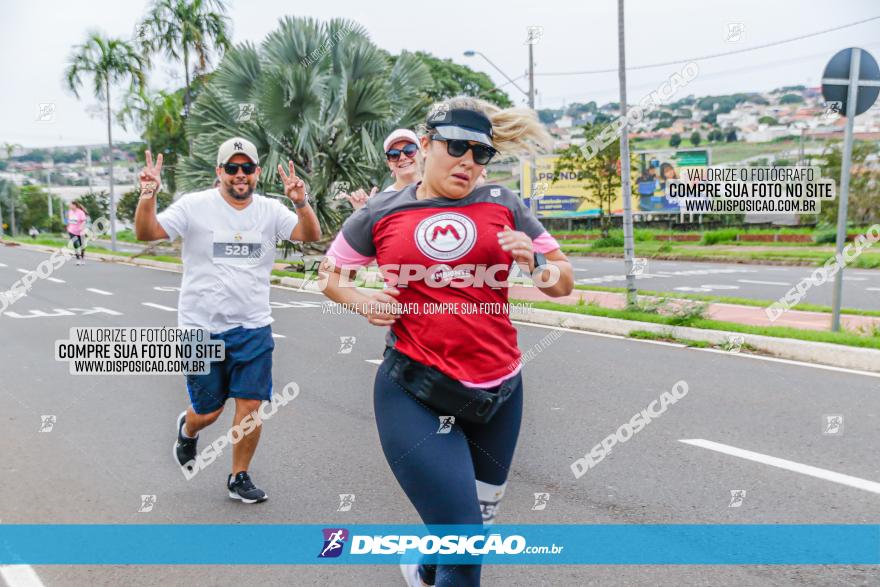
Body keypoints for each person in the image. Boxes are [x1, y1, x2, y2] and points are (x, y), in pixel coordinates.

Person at [320, 97, 573, 586]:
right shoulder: (382, 211)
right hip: (414, 388)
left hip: (500, 391)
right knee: (465, 541)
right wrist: (364, 301)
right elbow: (331, 275)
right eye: (456, 147)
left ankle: (422, 568)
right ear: (427, 144)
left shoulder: (503, 203)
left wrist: (537, 266)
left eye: (481, 154)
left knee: (470, 531)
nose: (468, 162)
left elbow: (563, 280)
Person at [134, 137, 321, 503]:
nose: (240, 175)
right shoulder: (194, 206)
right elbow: (147, 233)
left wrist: (301, 202)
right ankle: (188, 430)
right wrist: (148, 195)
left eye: (247, 168)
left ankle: (239, 477)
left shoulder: (270, 210)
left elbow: (309, 235)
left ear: (257, 173)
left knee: (251, 405)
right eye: (232, 168)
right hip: (200, 328)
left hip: (252, 326)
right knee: (210, 411)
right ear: (219, 172)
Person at [341, 128, 423, 210]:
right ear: (389, 164)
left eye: (409, 150)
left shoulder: (434, 188)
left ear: (422, 153)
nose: (402, 157)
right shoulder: (383, 202)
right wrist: (365, 213)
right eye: (394, 154)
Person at [66, 201, 87, 265]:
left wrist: (82, 227)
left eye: (71, 205)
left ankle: (82, 258)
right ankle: (78, 259)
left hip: (81, 232)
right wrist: (68, 227)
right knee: (75, 244)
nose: (70, 206)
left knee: (82, 246)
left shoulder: (81, 212)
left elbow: (84, 221)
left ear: (75, 205)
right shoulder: (70, 212)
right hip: (72, 231)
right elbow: (69, 221)